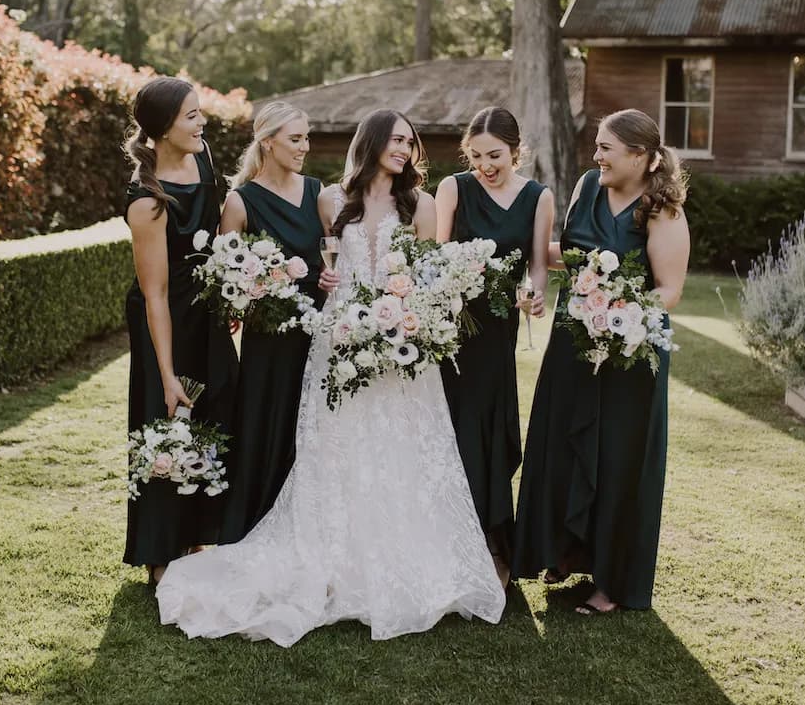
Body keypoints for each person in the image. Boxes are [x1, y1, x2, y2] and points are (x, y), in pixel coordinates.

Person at [157, 109, 504, 646]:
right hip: (337, 339)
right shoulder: (331, 200)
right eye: (395, 139)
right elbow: (328, 266)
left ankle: (402, 559)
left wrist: (401, 315)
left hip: (401, 341)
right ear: (369, 143)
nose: (404, 149)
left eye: (409, 142)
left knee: (402, 448)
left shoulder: (424, 204)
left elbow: (427, 276)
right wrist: (326, 279)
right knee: (335, 452)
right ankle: (334, 559)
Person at [513, 108, 690, 616]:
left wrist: (618, 313)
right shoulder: (589, 185)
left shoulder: (663, 210)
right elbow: (571, 253)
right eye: (596, 146)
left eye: (606, 148)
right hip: (573, 343)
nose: (596, 156)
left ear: (640, 156)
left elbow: (670, 291)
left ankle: (611, 585)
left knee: (616, 458)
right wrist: (517, 256)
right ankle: (564, 551)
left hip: (629, 355)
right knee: (564, 442)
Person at [122, 77, 238, 583]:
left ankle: (200, 538)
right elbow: (156, 295)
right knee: (167, 419)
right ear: (162, 129)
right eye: (190, 116)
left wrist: (230, 291)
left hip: (207, 312)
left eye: (199, 113)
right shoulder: (146, 201)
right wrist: (166, 373)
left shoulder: (204, 158)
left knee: (216, 410)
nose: (201, 123)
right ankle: (159, 556)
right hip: (164, 319)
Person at [435, 107, 553, 587]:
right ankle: (445, 534)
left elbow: (538, 264)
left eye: (496, 156)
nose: (485, 165)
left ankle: (490, 537)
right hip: (453, 329)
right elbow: (436, 257)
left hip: (500, 327)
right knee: (452, 424)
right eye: (477, 155)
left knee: (489, 426)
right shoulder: (453, 188)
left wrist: (536, 293)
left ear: (515, 150)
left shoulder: (537, 197)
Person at [216, 103, 325, 543]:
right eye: (295, 139)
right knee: (268, 424)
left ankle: (308, 528)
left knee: (311, 427)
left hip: (317, 332)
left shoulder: (318, 192)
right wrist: (255, 288)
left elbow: (336, 252)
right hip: (268, 340)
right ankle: (257, 525)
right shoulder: (240, 202)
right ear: (268, 143)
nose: (304, 147)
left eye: (306, 137)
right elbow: (225, 279)